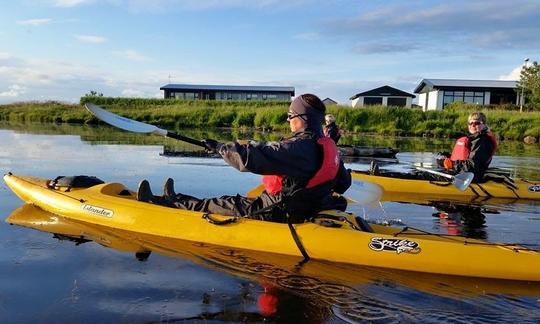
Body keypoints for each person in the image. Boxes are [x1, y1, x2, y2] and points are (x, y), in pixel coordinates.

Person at [137, 94, 352, 223]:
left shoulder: (298, 147)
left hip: (277, 211)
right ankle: (176, 198)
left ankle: (163, 204)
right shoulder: (328, 146)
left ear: (301, 119)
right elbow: (344, 183)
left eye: (290, 116)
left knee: (216, 204)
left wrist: (221, 148)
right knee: (232, 200)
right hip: (305, 208)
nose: (289, 121)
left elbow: (250, 160)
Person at [438, 112, 497, 182]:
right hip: (460, 175)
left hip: (469, 179)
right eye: (470, 123)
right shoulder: (475, 140)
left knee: (423, 176)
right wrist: (448, 158)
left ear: (484, 124)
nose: (473, 125)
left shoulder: (483, 141)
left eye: (477, 123)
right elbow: (466, 157)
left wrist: (451, 164)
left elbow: (472, 166)